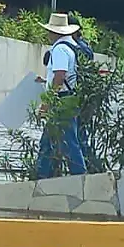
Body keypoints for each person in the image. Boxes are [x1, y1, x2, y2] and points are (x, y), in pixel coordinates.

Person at [35, 13, 87, 179]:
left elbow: (59, 76)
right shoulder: (71, 47)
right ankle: (45, 174)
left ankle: (78, 176)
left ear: (55, 32)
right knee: (53, 141)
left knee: (66, 142)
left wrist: (47, 102)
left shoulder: (59, 49)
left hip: (61, 100)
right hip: (69, 98)